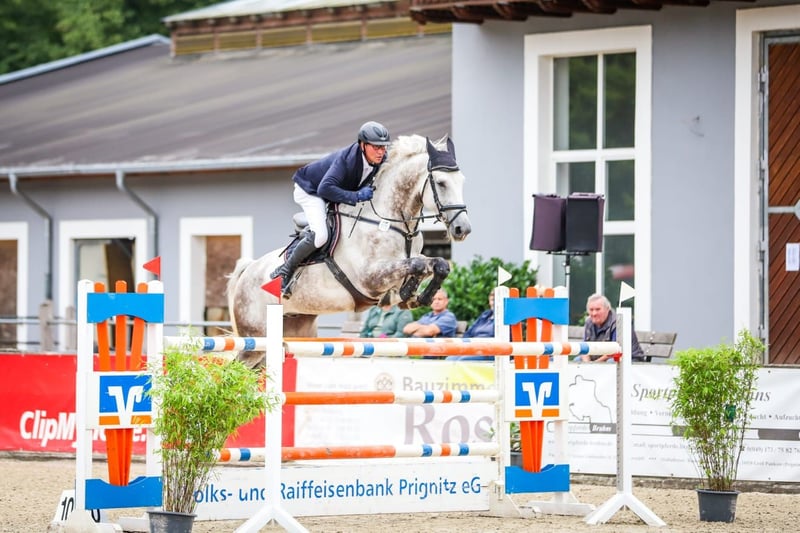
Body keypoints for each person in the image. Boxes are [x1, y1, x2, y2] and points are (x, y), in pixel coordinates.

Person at [270, 121, 391, 296]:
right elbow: (324, 189)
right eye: (376, 147)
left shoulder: (381, 159)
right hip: (311, 190)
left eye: (384, 147)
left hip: (332, 191)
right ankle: (284, 271)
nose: (381, 152)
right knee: (321, 236)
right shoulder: (347, 160)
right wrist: (357, 196)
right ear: (363, 145)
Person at [579, 293, 645, 363]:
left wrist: (593, 365)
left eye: (598, 309)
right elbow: (584, 347)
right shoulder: (589, 322)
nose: (594, 313)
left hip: (629, 359)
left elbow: (614, 352)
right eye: (591, 310)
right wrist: (587, 363)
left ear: (607, 309)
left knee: (611, 362)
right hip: (599, 360)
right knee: (577, 361)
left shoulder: (618, 322)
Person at [446, 291, 496, 361]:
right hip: (473, 347)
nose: (494, 303)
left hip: (490, 350)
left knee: (463, 360)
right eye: (492, 300)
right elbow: (469, 332)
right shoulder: (485, 315)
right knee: (450, 359)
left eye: (497, 300)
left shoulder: (505, 318)